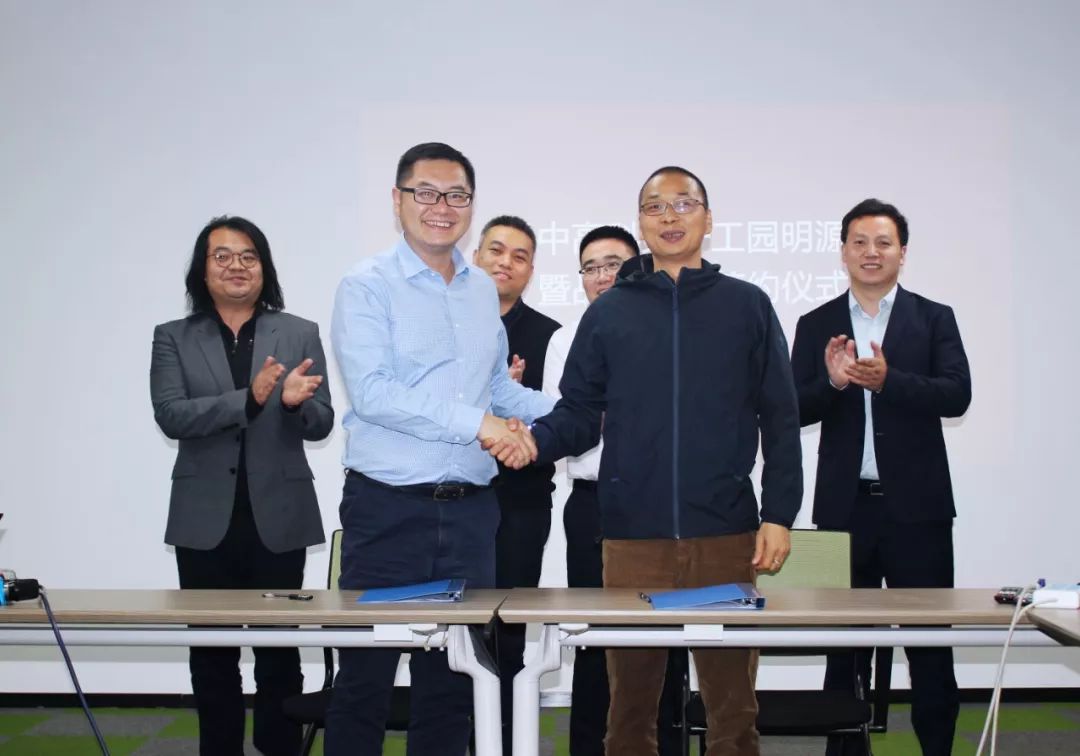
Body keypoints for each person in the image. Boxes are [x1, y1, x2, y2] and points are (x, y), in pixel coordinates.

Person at [501, 166, 804, 756]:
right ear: (641, 223)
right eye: (655, 206)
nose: (669, 216)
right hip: (632, 536)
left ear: (708, 219)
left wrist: (779, 514)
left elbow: (780, 415)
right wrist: (532, 441)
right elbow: (579, 413)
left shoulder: (747, 305)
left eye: (683, 204)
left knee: (732, 710)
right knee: (631, 711)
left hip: (725, 531)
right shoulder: (609, 313)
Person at [326, 142, 553, 756]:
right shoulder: (367, 285)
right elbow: (374, 394)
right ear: (397, 199)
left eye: (456, 195)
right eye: (425, 192)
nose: (441, 206)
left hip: (472, 515)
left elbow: (497, 387)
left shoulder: (480, 289)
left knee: (454, 683)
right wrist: (481, 425)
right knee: (365, 678)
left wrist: (576, 411)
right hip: (387, 510)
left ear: (471, 206)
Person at [790, 198, 971, 756]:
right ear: (843, 251)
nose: (872, 252)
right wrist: (835, 383)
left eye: (884, 243)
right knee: (844, 650)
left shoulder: (933, 317)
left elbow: (957, 395)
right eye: (860, 242)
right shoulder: (816, 323)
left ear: (902, 253)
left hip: (919, 511)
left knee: (930, 648)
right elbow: (793, 408)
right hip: (845, 511)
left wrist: (891, 381)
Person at [150, 215, 333, 756]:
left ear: (264, 267)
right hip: (204, 518)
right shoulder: (173, 337)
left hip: (279, 516)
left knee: (279, 653)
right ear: (202, 271)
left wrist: (295, 405)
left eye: (249, 256)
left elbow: (322, 422)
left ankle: (279, 749)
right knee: (211, 654)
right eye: (223, 256)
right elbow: (172, 416)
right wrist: (248, 400)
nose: (237, 266)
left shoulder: (298, 331)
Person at [471, 214, 561, 753]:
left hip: (522, 501)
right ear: (476, 257)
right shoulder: (451, 327)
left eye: (519, 255)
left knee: (508, 625)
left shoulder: (552, 335)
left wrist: (515, 406)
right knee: (458, 626)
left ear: (530, 270)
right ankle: (463, 731)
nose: (505, 262)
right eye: (496, 250)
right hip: (458, 500)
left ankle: (506, 736)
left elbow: (563, 419)